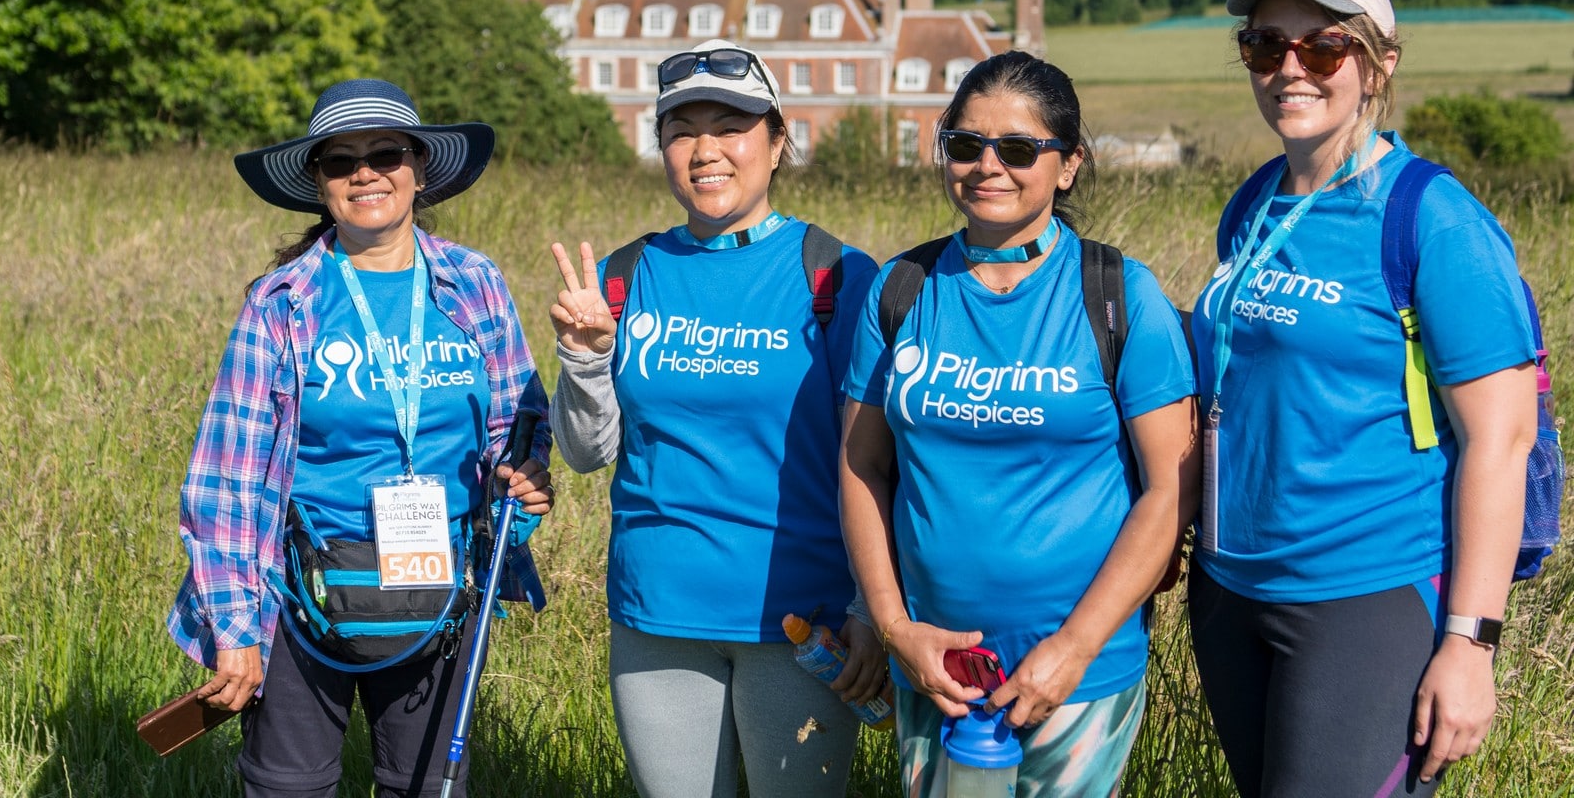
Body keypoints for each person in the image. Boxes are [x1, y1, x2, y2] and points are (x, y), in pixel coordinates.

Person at [1188, 0, 1539, 797]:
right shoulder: (1256, 200)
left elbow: (1502, 437)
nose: (1290, 70)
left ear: (1379, 63)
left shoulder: (1433, 219)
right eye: (1266, 46)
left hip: (1365, 598)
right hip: (1231, 591)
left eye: (1324, 48)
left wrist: (1470, 642)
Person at [165, 79, 553, 798]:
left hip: (439, 591)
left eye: (385, 153)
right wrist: (235, 628)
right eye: (341, 162)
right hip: (300, 594)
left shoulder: (476, 284)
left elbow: (517, 427)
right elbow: (226, 478)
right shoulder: (282, 302)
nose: (365, 172)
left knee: (427, 787)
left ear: (419, 169)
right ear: (318, 183)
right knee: (287, 789)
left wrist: (524, 487)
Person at [839, 50, 1197, 798]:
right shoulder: (901, 291)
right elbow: (861, 464)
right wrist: (894, 627)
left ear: (1067, 165)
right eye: (965, 145)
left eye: (1019, 148)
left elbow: (1171, 489)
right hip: (935, 671)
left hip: (1079, 676)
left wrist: (1074, 647)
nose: (987, 166)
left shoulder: (1120, 295)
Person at [548, 39, 883, 798]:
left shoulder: (836, 274)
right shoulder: (626, 275)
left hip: (801, 622)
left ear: (776, 139)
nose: (706, 150)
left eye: (730, 124)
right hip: (656, 615)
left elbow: (875, 459)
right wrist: (585, 357)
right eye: (681, 129)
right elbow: (586, 451)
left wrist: (869, 608)